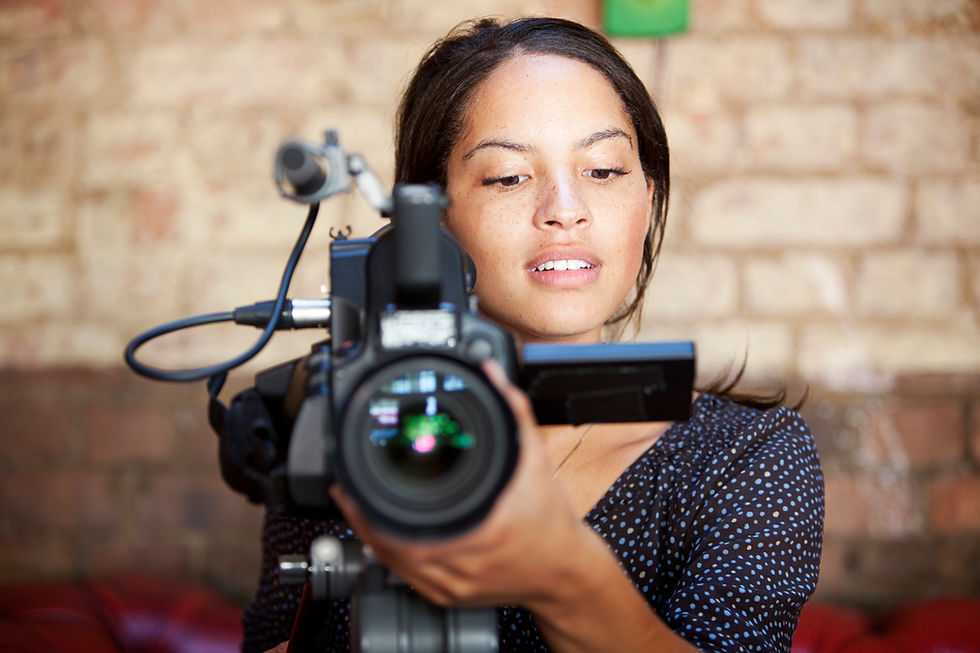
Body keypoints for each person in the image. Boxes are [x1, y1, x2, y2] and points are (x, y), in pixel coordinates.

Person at [245, 16, 824, 653]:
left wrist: (562, 574)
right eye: (507, 176)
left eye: (604, 170)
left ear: (650, 200)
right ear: (430, 221)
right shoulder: (352, 421)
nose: (564, 209)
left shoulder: (743, 458)